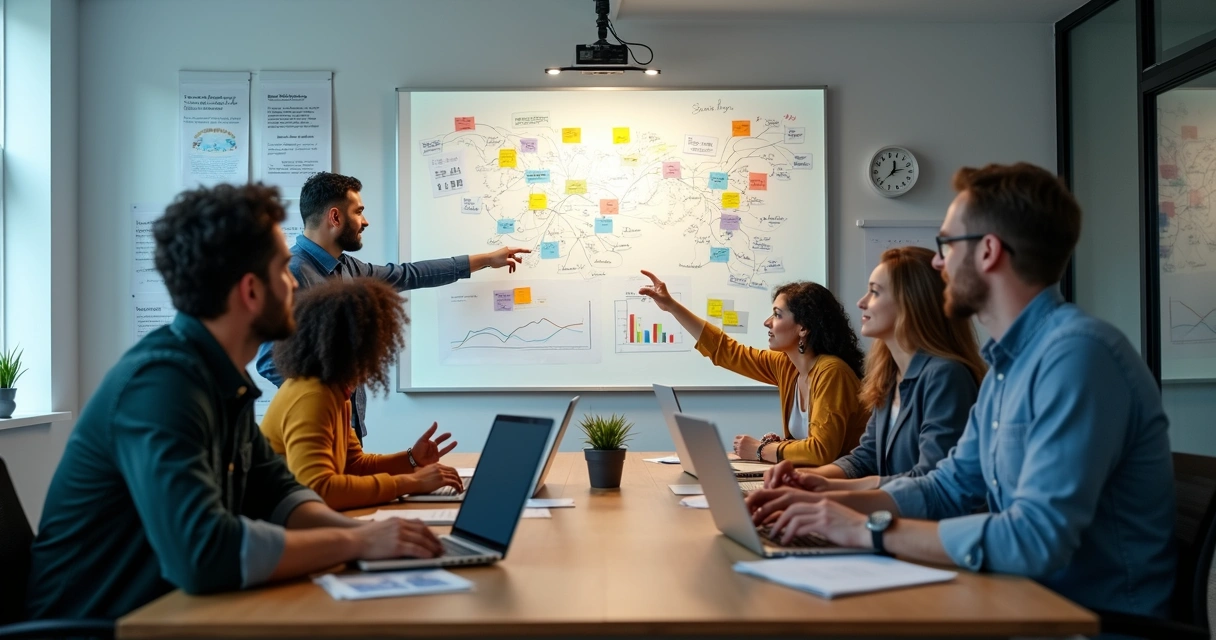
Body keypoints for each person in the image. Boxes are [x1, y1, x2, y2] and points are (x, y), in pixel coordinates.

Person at [746, 162, 1176, 618]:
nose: (936, 262)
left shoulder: (1077, 356)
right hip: (1016, 599)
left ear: (989, 251)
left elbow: (1035, 539)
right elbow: (950, 486)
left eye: (946, 245)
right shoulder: (1009, 365)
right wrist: (825, 500)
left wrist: (864, 528)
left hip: (1083, 620)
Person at [25, 184, 443, 621]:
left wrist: (381, 536)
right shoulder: (163, 385)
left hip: (165, 614)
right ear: (250, 291)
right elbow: (205, 552)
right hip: (99, 628)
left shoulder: (221, 381)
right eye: (284, 270)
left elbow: (281, 496)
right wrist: (357, 543)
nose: (294, 283)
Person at [255, 171, 531, 441]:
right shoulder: (290, 273)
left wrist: (485, 260)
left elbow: (409, 274)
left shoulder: (348, 268)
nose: (365, 222)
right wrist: (321, 403)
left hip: (349, 429)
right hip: (315, 431)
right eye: (358, 211)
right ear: (335, 217)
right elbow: (269, 361)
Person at [767, 246, 984, 491]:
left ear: (911, 305)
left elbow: (929, 480)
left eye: (875, 292)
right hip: (890, 515)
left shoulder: (946, 376)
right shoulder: (890, 376)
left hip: (925, 525)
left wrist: (832, 492)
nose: (861, 302)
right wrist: (808, 479)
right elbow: (865, 457)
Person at [260, 278, 464, 510]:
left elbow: (354, 465)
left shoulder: (335, 390)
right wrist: (410, 482)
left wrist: (411, 459)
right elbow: (318, 489)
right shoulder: (312, 395)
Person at [638, 271, 869, 465]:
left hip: (841, 488)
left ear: (803, 328)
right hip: (810, 483)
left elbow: (821, 451)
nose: (767, 322)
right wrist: (671, 306)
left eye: (777, 315)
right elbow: (726, 352)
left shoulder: (832, 372)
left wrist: (761, 450)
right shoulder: (788, 366)